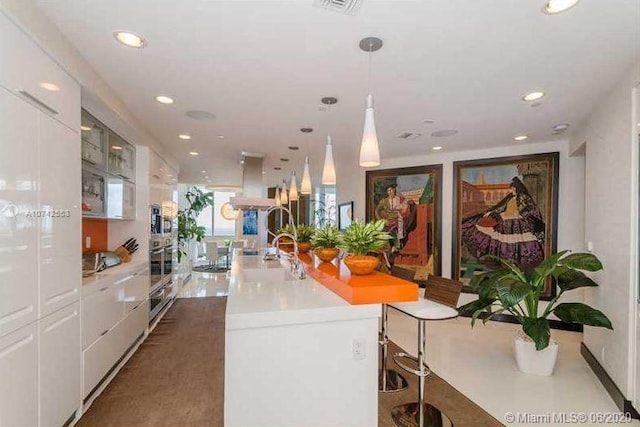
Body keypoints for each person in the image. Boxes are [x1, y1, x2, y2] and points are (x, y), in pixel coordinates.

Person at [461, 176, 545, 270]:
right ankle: (503, 261)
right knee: (501, 240)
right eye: (511, 188)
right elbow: (500, 207)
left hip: (517, 221)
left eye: (513, 187)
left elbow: (527, 209)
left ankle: (516, 261)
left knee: (515, 242)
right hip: (506, 220)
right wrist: (490, 212)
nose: (511, 189)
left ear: (516, 188)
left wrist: (520, 215)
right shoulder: (510, 197)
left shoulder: (523, 197)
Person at [374, 184, 416, 253]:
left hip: (399, 218)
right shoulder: (384, 201)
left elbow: (408, 203)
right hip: (388, 220)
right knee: (384, 228)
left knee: (394, 227)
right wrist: (382, 220)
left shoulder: (399, 199)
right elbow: (377, 210)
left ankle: (396, 246)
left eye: (391, 190)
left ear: (394, 190)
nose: (390, 192)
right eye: (388, 191)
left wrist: (407, 205)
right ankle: (388, 246)